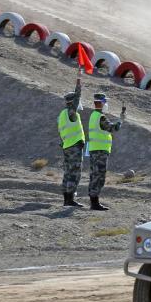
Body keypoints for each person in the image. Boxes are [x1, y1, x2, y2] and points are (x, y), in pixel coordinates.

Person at [87, 93, 124, 211]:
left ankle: (94, 202)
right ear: (102, 103)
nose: (106, 104)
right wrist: (121, 120)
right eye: (105, 102)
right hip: (100, 151)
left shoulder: (93, 115)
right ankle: (94, 203)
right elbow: (113, 128)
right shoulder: (100, 117)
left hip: (94, 149)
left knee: (94, 175)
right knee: (99, 176)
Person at [57, 78, 86, 207]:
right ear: (72, 102)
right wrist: (78, 85)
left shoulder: (62, 115)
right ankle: (70, 199)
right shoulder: (70, 112)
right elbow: (77, 98)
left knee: (68, 173)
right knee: (75, 173)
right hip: (74, 148)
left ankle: (66, 199)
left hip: (67, 147)